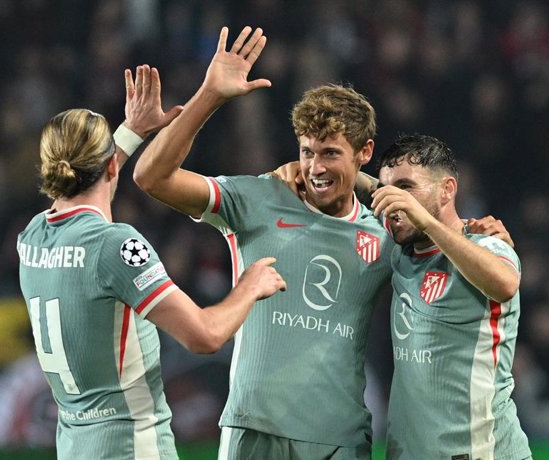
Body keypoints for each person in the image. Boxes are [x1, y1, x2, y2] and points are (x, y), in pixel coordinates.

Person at [134, 26, 392, 459]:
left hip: (339, 440)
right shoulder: (256, 199)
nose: (315, 167)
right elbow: (151, 177)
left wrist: (479, 232)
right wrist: (210, 96)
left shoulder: (384, 236)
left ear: (364, 151)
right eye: (307, 152)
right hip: (252, 428)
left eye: (330, 153)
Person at [17, 64, 286, 460]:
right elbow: (204, 335)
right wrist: (249, 286)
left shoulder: (33, 237)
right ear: (110, 166)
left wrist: (131, 132)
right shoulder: (115, 245)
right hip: (133, 447)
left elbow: (85, 182)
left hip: (75, 447)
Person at [370, 133, 531, 459]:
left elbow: (505, 283)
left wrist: (427, 222)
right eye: (386, 190)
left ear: (447, 190)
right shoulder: (399, 253)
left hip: (483, 451)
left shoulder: (487, 245)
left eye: (406, 188)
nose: (394, 202)